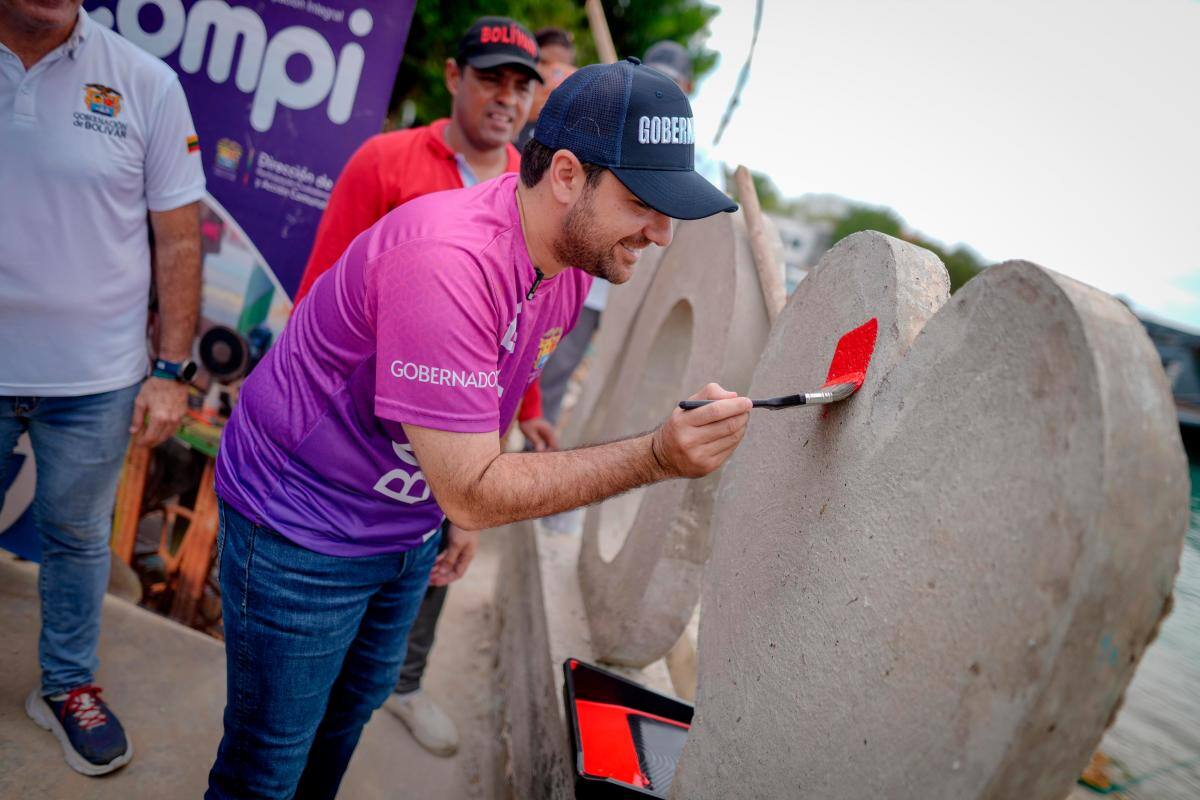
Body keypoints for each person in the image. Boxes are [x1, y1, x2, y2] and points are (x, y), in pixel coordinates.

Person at [205, 56, 748, 800]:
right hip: (300, 528)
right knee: (266, 763)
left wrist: (452, 518)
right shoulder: (448, 263)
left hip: (403, 525)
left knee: (348, 717)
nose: (659, 233)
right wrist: (655, 456)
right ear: (565, 174)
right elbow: (474, 489)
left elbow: (495, 395)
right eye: (643, 201)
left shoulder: (568, 262)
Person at [291, 16, 546, 758]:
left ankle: (401, 684)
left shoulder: (525, 189)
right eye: (491, 77)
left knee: (437, 560)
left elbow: (518, 336)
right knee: (333, 583)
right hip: (356, 428)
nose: (506, 97)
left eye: (521, 84)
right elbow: (320, 290)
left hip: (455, 426)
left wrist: (525, 413)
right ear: (451, 77)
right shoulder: (387, 160)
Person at [0, 0, 204, 777]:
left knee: (79, 540)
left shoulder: (145, 83)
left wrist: (170, 371)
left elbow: (178, 236)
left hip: (94, 379)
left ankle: (65, 687)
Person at [514, 26, 576, 150]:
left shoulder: (568, 130)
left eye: (558, 70)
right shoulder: (505, 107)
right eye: (543, 62)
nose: (548, 73)